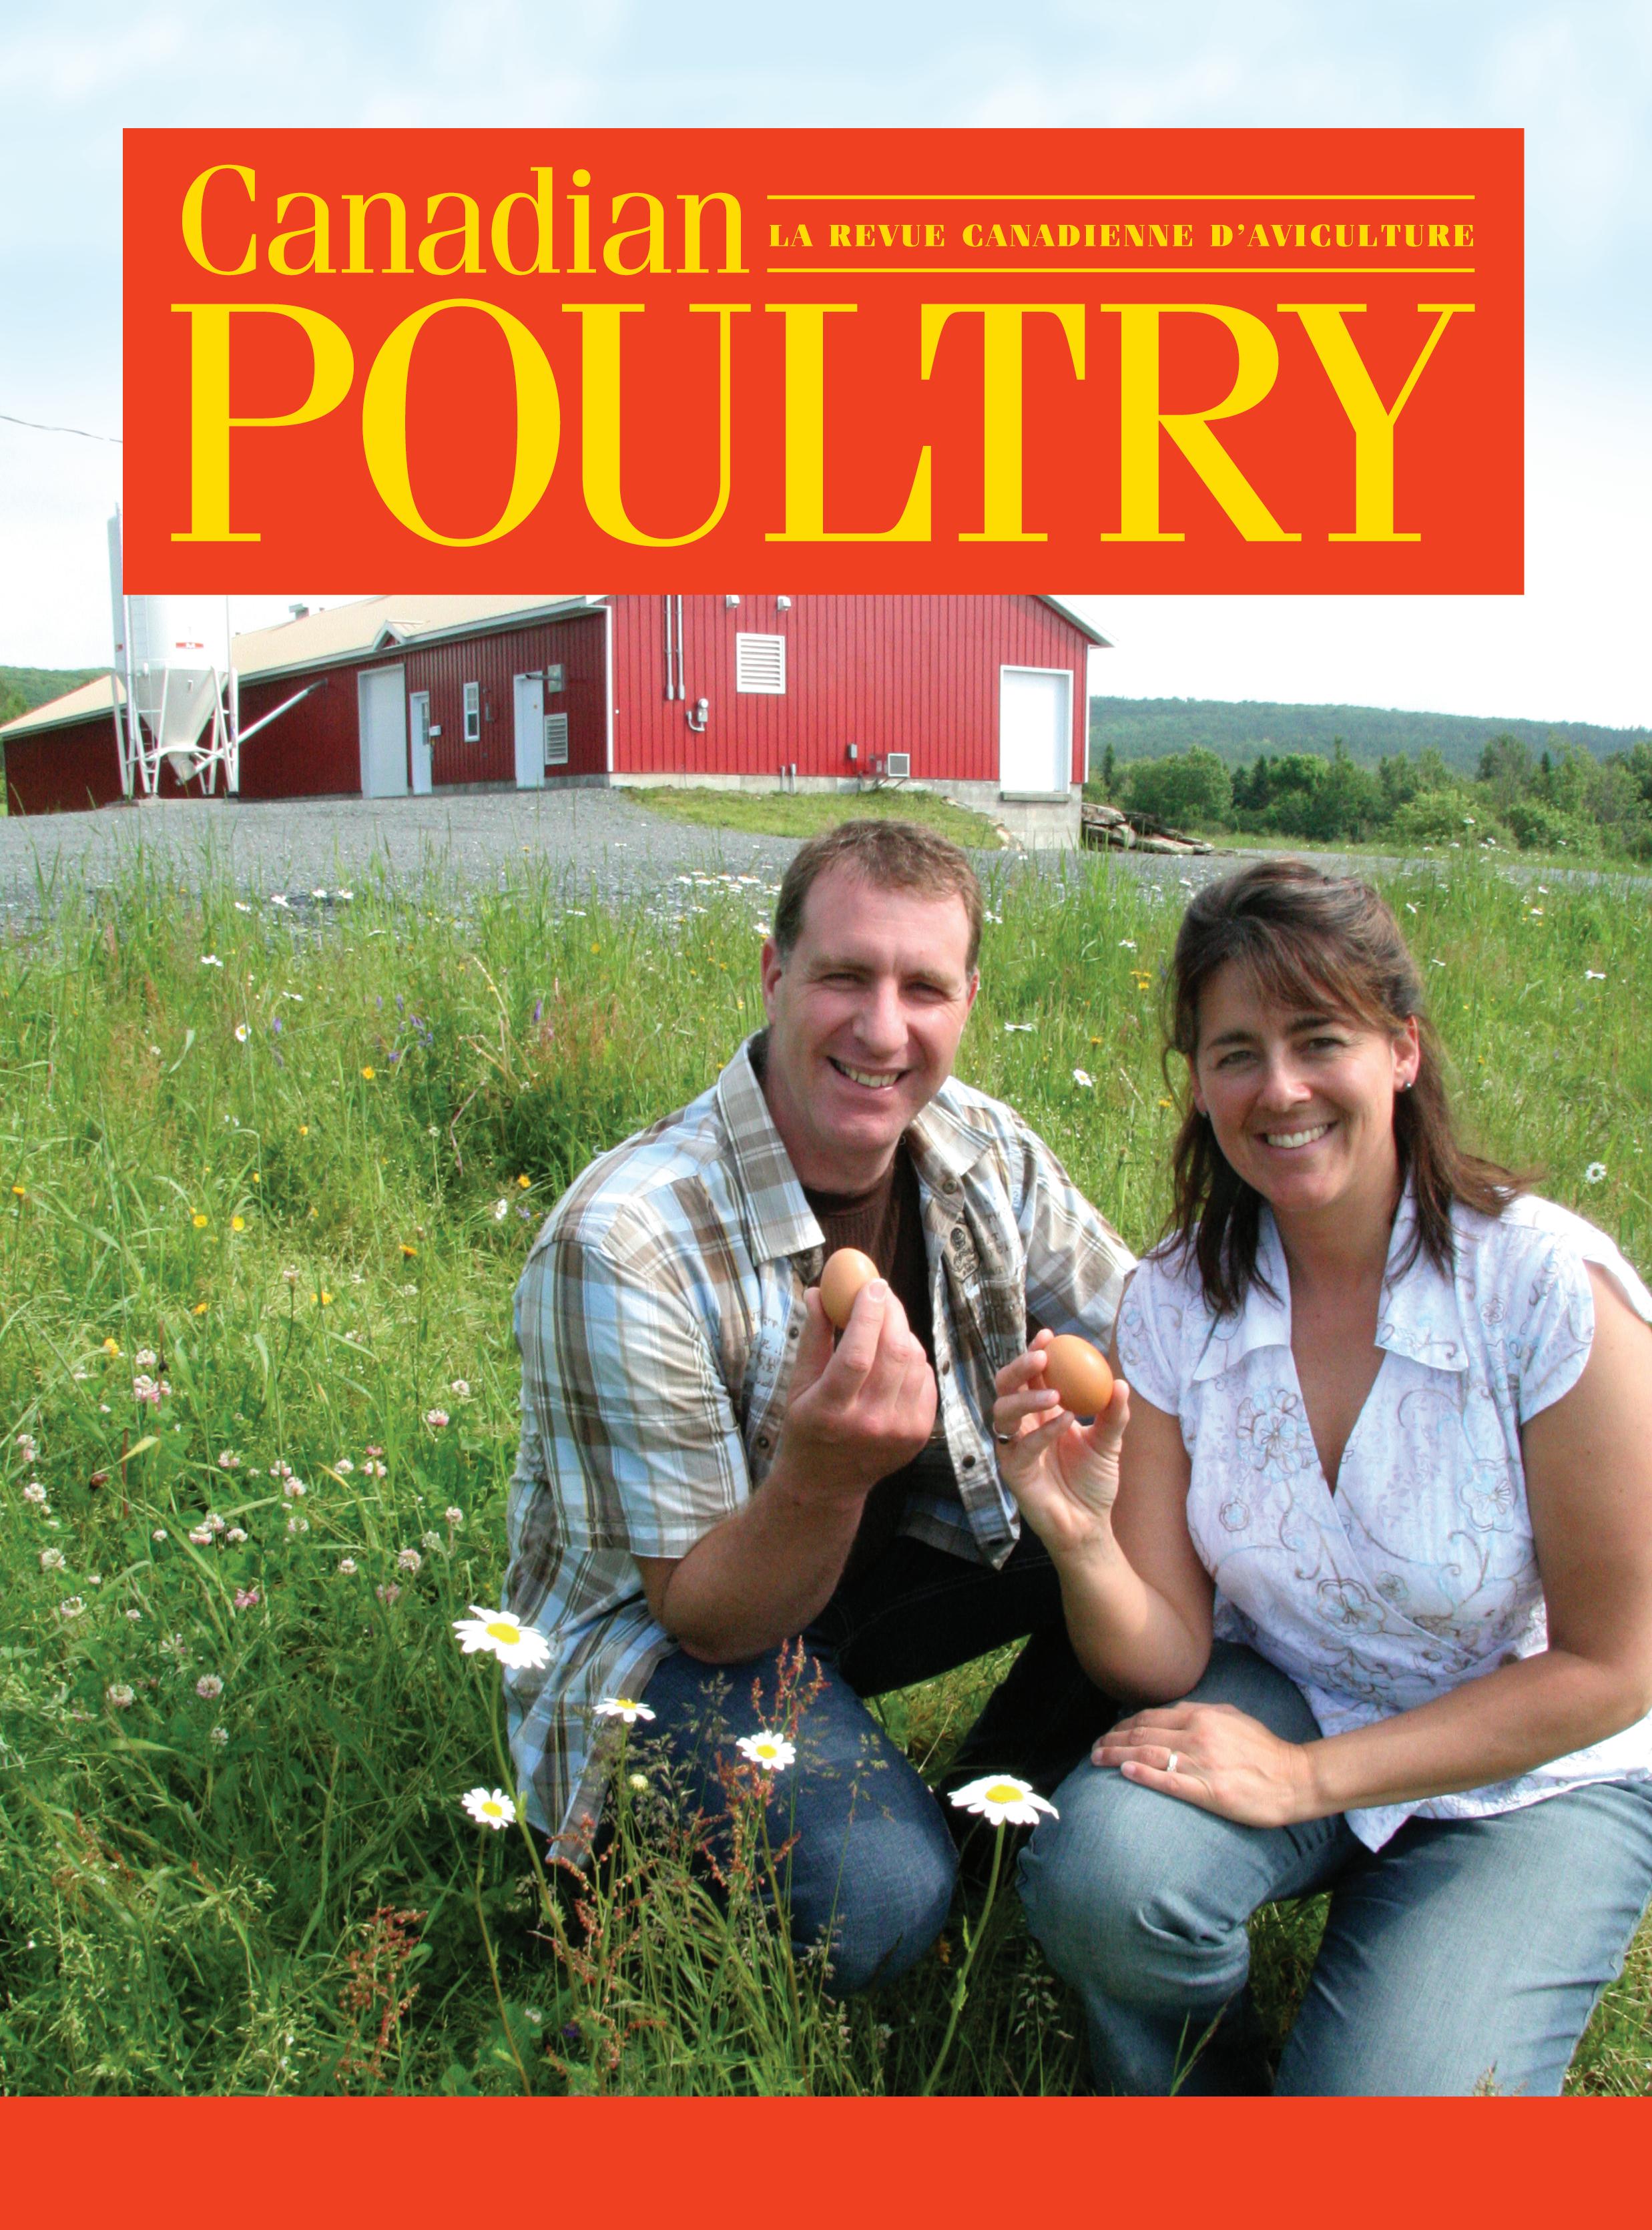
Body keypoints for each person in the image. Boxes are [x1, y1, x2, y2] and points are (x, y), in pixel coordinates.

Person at [999, 858, 1652, 2095]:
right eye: (1236, 1052)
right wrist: (1081, 1538)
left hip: (1532, 1769)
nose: (1281, 1088)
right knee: (1102, 1876)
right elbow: (1165, 1656)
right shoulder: (1176, 1301)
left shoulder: (1548, 1294)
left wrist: (1306, 1780)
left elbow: (1614, 1670)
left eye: (1320, 1039)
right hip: (1295, 1690)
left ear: (1402, 1049)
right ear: (1198, 1081)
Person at [502, 819, 1134, 1991]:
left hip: (861, 1582)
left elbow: (1159, 1344)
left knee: (1169, 1516)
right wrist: (823, 1474)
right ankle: (641, 1903)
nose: (883, 1029)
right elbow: (706, 1614)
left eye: (924, 988)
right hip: (664, 1646)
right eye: (846, 975)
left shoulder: (980, 1149)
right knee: (880, 1903)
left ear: (968, 1000)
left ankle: (984, 1830)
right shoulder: (626, 1240)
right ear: (774, 973)